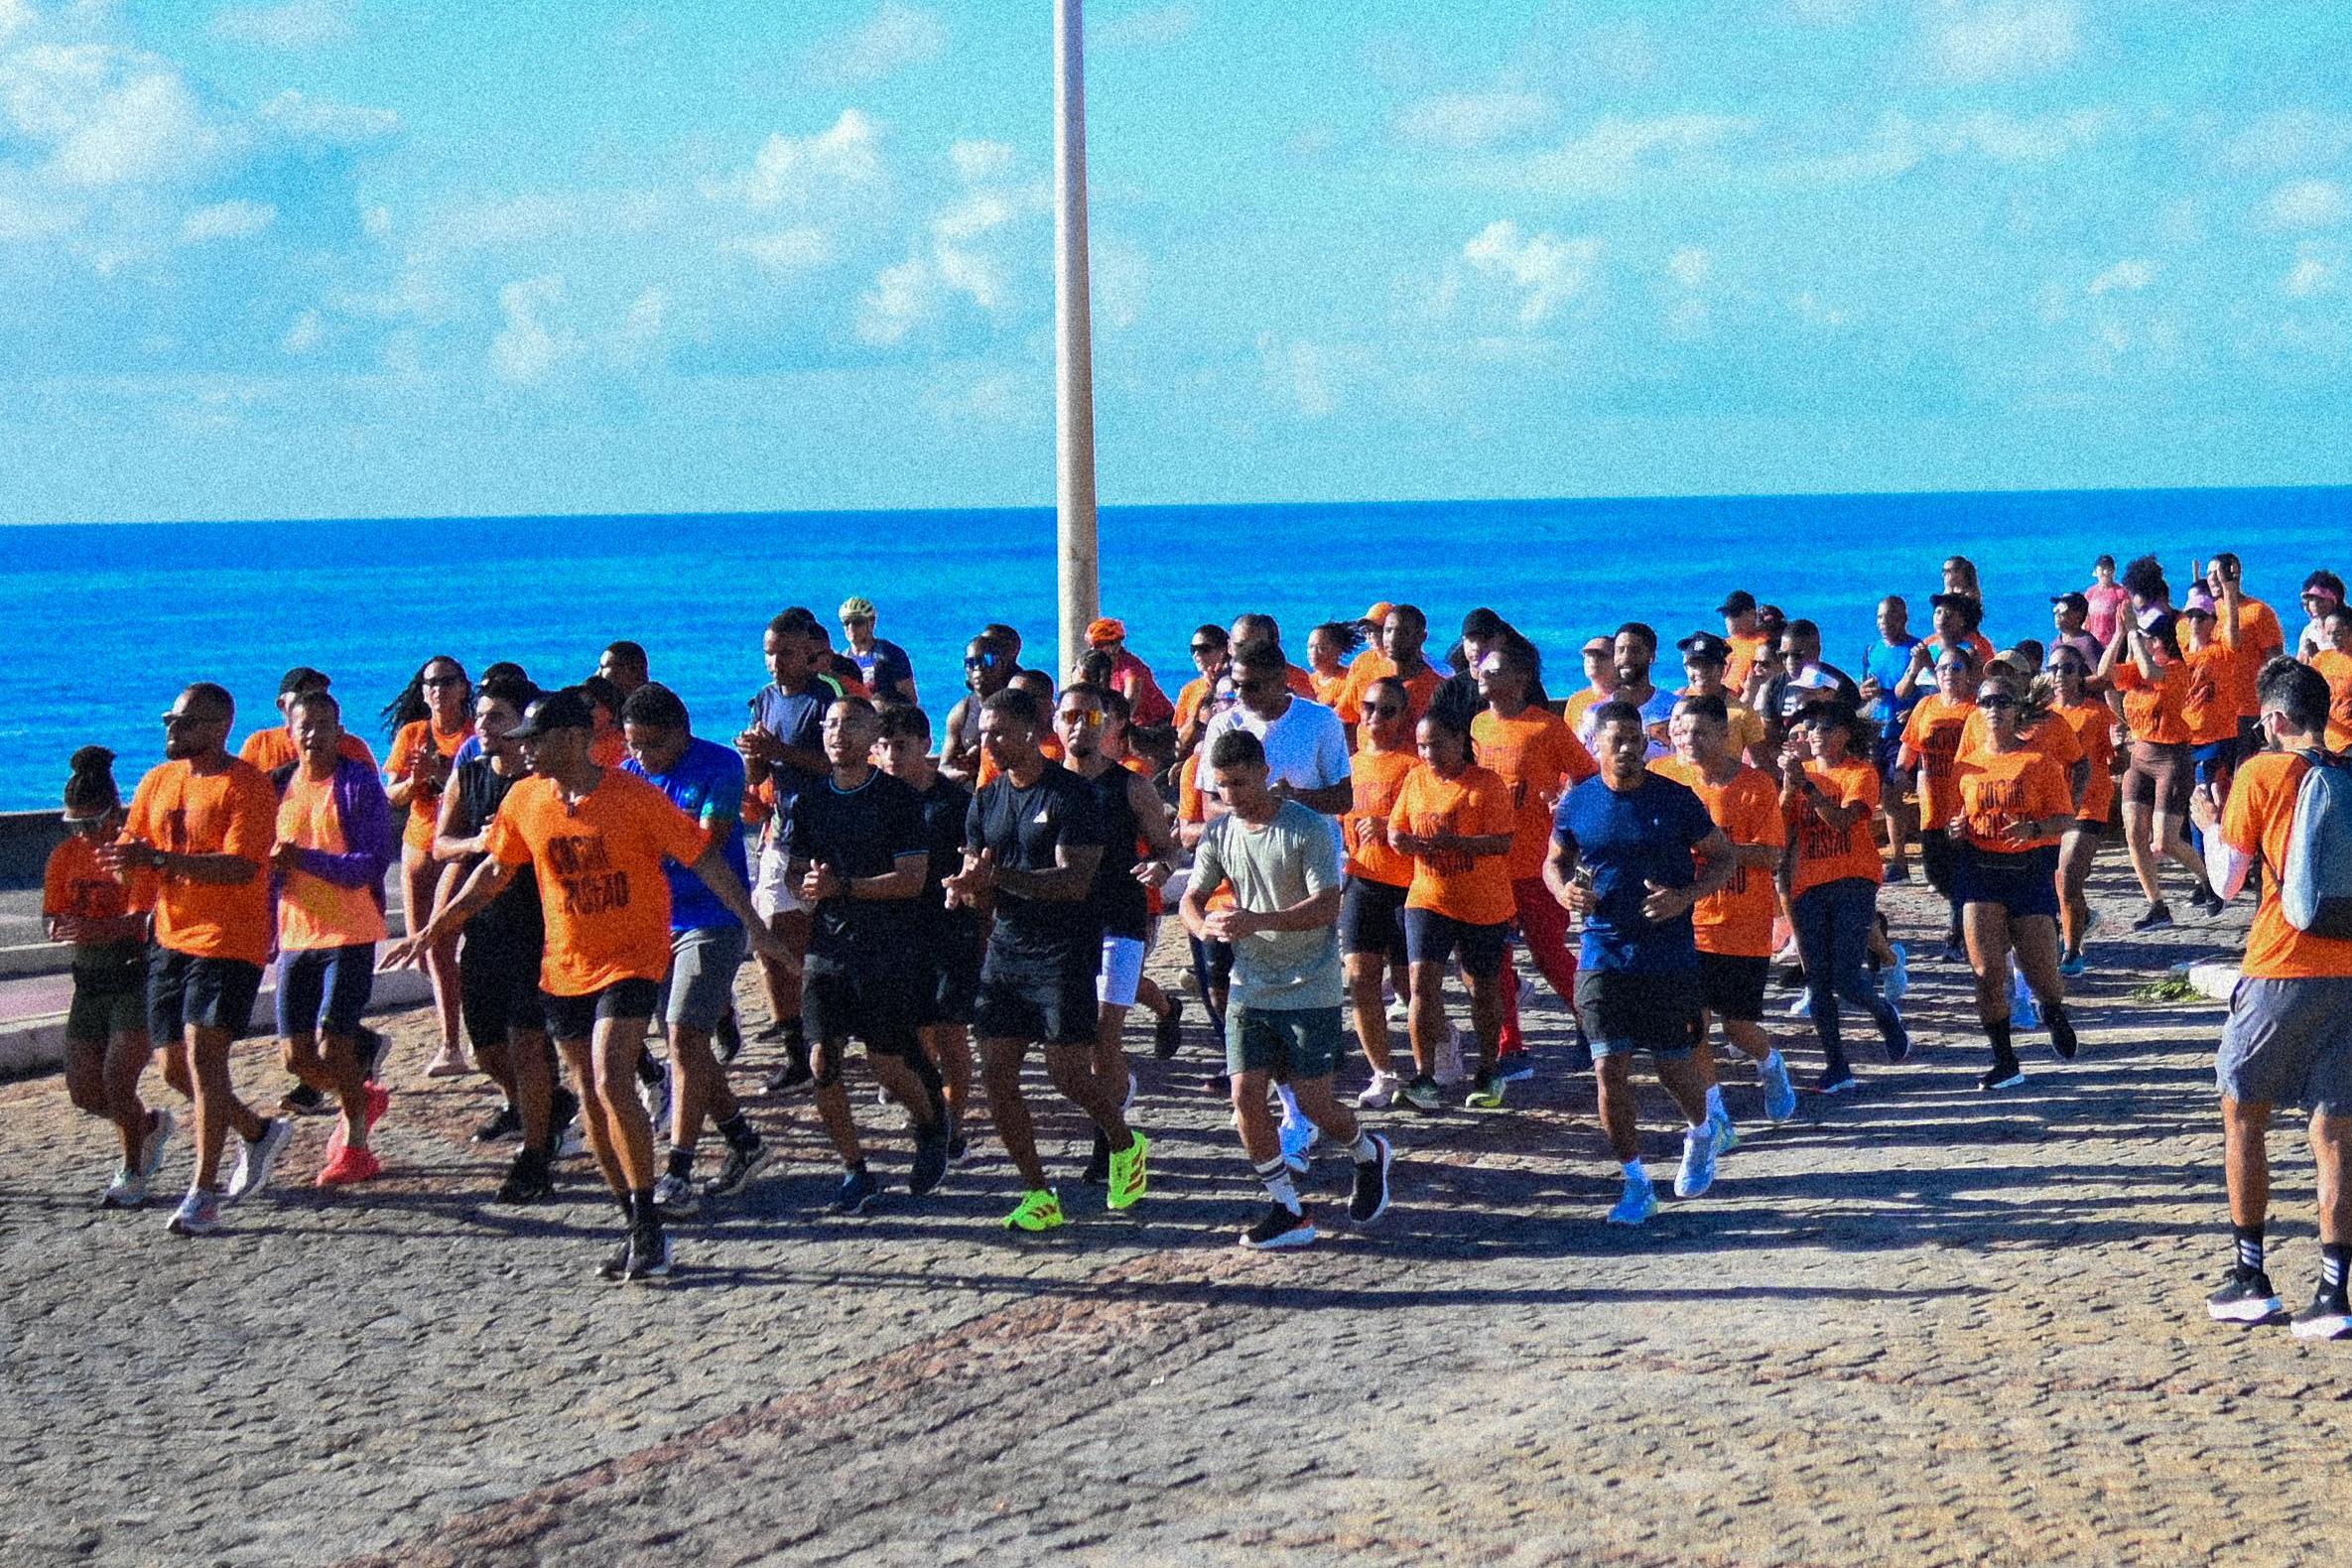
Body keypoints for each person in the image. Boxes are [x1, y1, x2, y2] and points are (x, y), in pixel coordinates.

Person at [389, 688, 783, 1284]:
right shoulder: (525, 798)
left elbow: (703, 859)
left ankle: (649, 1218)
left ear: (572, 740)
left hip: (633, 957)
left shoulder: (633, 797)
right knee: (591, 1094)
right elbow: (495, 871)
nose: (524, 751)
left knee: (609, 1075)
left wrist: (755, 927)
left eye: (535, 740)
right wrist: (436, 929)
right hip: (565, 963)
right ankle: (634, 1222)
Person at [946, 687, 1149, 1232]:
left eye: (999, 734)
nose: (987, 743)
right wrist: (966, 890)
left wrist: (997, 880)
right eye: (983, 734)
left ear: (1033, 735)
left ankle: (1124, 1142)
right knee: (997, 1073)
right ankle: (1038, 1192)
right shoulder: (985, 800)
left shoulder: (1071, 796)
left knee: (1065, 1073)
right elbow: (978, 873)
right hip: (1007, 952)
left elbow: (1075, 881)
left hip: (1064, 950)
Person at [1182, 728, 1393, 1248]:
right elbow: (1192, 895)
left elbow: (1328, 908)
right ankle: (1287, 1207)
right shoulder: (1220, 834)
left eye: (1235, 783)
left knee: (1316, 1104)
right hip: (1249, 987)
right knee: (1243, 1096)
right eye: (1219, 786)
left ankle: (1368, 1151)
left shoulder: (1306, 830)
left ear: (1263, 771)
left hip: (1310, 986)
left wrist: (1258, 920)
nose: (1227, 796)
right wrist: (1202, 924)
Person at [2196, 657, 2352, 1339]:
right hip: (2349, 968)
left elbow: (2226, 882)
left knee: (2243, 1111)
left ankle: (2250, 1275)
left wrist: (2206, 821)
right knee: (2335, 1133)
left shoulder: (2261, 772)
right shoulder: (2348, 770)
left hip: (2282, 963)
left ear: (2276, 718)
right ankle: (2334, 1293)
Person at [103, 683, 295, 1237]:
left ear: (218, 728)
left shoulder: (248, 787)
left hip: (228, 940)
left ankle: (202, 1191)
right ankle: (257, 1133)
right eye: (169, 719)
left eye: (183, 722)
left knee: (206, 1062)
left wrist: (159, 858)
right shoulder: (157, 781)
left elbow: (241, 867)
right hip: (171, 936)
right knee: (173, 1068)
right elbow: (135, 852)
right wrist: (125, 869)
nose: (171, 730)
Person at [1547, 700, 1737, 1225]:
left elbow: (1724, 858)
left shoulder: (1677, 801)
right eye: (1618, 740)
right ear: (1598, 746)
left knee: (1674, 1064)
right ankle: (1635, 1183)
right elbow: (1555, 861)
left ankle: (1702, 1129)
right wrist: (1565, 891)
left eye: (1637, 739)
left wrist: (1684, 897)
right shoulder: (1577, 803)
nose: (1630, 749)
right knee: (1609, 1068)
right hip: (1601, 953)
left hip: (1667, 955)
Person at [778, 695, 953, 1213]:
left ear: (872, 734)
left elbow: (913, 880)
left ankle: (930, 1124)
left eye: (849, 724)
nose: (836, 733)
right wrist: (806, 886)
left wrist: (843, 888)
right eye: (830, 724)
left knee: (886, 1062)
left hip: (886, 948)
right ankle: (855, 1169)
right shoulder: (809, 800)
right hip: (827, 948)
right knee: (821, 1060)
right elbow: (796, 869)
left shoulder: (897, 800)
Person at [621, 683, 772, 1214]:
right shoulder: (632, 774)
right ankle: (744, 1141)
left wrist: (647, 842)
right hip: (654, 919)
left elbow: (703, 844)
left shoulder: (719, 766)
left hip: (713, 916)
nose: (642, 757)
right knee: (686, 1044)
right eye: (633, 745)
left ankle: (678, 1167)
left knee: (684, 1036)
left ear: (681, 734)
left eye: (652, 746)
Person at [432, 674, 579, 1203]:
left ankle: (535, 1156)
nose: (481, 725)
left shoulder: (544, 783)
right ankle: (544, 1108)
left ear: (523, 723)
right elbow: (440, 844)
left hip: (538, 932)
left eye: (495, 716)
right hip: (484, 931)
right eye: (480, 715)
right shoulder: (467, 775)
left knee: (527, 1044)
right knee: (488, 1050)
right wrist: (483, 839)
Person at [267, 689, 398, 1187]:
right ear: (289, 732)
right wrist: (265, 929)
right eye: (306, 724)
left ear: (340, 731)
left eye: (326, 724)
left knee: (333, 1045)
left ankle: (357, 1147)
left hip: (350, 932)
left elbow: (369, 864)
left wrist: (306, 860)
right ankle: (361, 1097)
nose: (314, 733)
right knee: (296, 1058)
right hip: (298, 935)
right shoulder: (280, 786)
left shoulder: (358, 784)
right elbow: (269, 865)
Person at [1659, 696, 1800, 1145]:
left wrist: (1715, 852)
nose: (1688, 739)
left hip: (1741, 921)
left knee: (1736, 1027)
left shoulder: (1754, 786)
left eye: (1699, 731)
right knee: (1691, 1025)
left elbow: (1772, 854)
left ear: (1725, 735)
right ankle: (1716, 1116)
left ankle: (1770, 1063)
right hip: (1686, 922)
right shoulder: (1665, 778)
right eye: (1680, 730)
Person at [1056, 683, 1179, 1181]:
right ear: (1055, 723)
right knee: (1078, 1044)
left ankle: (1107, 1141)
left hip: (1120, 922)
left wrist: (1162, 870)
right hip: (1064, 926)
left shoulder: (1130, 786)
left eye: (1088, 717)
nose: (1077, 726)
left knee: (1105, 1038)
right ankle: (1109, 1119)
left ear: (1106, 725)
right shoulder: (1043, 784)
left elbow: (1166, 847)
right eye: (1068, 716)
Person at [47, 746, 170, 1209]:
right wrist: (57, 925)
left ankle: (132, 1168)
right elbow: (52, 911)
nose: (84, 834)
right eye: (74, 825)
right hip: (90, 981)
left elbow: (143, 921)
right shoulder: (65, 857)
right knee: (85, 1090)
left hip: (132, 976)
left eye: (91, 823)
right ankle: (147, 1126)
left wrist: (100, 927)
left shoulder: (131, 855)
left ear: (114, 814)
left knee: (119, 1081)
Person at [1473, 639, 1598, 1080]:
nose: (1484, 675)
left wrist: (1563, 804)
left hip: (1537, 864)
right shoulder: (1478, 726)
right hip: (1490, 866)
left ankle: (1590, 1020)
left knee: (1549, 955)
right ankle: (1512, 1047)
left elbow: (1588, 777)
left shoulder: (1545, 728)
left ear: (1520, 679)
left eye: (1494, 670)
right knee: (1496, 962)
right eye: (1482, 669)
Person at [1951, 679, 2080, 1091]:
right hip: (1979, 870)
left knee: (2041, 972)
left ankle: (2053, 1010)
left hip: (2026, 871)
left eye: (2002, 701)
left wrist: (2034, 829)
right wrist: (1956, 828)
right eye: (1986, 701)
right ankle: (2005, 1060)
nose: (1993, 709)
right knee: (1987, 971)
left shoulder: (2038, 762)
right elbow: (1957, 818)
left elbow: (2065, 820)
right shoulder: (1965, 765)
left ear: (2016, 709)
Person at [1780, 695, 1909, 1093]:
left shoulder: (1861, 773)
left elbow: (1842, 822)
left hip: (1853, 879)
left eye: (1823, 728)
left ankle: (1884, 1012)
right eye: (1809, 728)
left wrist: (1809, 790)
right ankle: (1837, 1065)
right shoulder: (1799, 773)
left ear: (1844, 734)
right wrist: (1789, 786)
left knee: (1847, 978)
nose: (1813, 735)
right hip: (1809, 882)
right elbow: (1783, 827)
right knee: (1816, 980)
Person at [1389, 709, 1515, 1111]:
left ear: (1459, 741)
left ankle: (1489, 1068)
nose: (1428, 753)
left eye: (1436, 744)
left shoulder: (1486, 784)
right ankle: (1425, 1074)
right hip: (1428, 897)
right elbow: (1397, 828)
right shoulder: (1415, 779)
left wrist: (1453, 844)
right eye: (1422, 745)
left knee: (1481, 987)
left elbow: (1501, 842)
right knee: (1421, 984)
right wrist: (1401, 842)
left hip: (1482, 902)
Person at [874, 703, 980, 1160]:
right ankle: (931, 1108)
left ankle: (953, 1126)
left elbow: (976, 860)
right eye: (882, 747)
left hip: (950, 931)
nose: (891, 756)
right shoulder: (874, 802)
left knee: (951, 1030)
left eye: (900, 746)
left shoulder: (953, 802)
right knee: (914, 1037)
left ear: (925, 745)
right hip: (896, 936)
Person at [741, 608, 832, 1089]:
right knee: (771, 939)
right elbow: (760, 778)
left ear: (809, 654)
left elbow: (841, 763)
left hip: (828, 834)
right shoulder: (764, 701)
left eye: (786, 654)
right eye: (769, 655)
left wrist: (783, 753)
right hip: (782, 833)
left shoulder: (825, 699)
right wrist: (755, 759)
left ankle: (830, 1033)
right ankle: (796, 1045)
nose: (776, 664)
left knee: (821, 940)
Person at [384, 655, 475, 1078]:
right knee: (422, 951)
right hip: (420, 845)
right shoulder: (414, 734)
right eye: (430, 683)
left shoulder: (475, 734)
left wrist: (443, 773)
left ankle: (450, 1043)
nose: (438, 689)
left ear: (462, 687)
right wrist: (417, 781)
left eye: (447, 681)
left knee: (442, 944)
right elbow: (393, 796)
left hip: (459, 849)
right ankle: (457, 1018)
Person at [2105, 610, 2221, 929]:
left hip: (2171, 759)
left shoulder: (2175, 670)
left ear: (2159, 641)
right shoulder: (2138, 671)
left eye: (2146, 637)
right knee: (2134, 833)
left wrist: (2133, 634)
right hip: (2139, 759)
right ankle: (2157, 904)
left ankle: (2209, 880)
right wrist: (2119, 634)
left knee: (2166, 840)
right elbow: (2105, 675)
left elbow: (2151, 672)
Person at [1337, 677, 1418, 1107]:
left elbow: (1433, 821)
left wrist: (1392, 827)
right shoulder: (1348, 764)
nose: (1375, 718)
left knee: (1412, 990)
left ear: (1403, 716)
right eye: (1369, 707)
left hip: (1409, 887)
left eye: (1387, 710)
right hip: (1362, 881)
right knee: (1360, 980)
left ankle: (1441, 1042)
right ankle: (1383, 1072)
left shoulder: (1413, 764)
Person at [1196, 642, 1353, 817]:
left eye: (1252, 686)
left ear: (1280, 680)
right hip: (1248, 841)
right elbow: (1210, 809)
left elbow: (1344, 799)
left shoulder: (1321, 719)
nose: (1240, 694)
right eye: (1236, 685)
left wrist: (1293, 797)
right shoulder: (1223, 725)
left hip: (1310, 840)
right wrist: (1261, 805)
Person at [1899, 647, 1981, 962]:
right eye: (1943, 668)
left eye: (1956, 668)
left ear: (1968, 673)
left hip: (1964, 804)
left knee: (1962, 870)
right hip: (1933, 802)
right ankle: (1961, 913)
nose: (1949, 674)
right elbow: (1910, 746)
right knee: (1935, 873)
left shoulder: (1976, 710)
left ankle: (1957, 932)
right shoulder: (1926, 706)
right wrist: (1898, 772)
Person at [2045, 650, 2117, 976]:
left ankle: (2072, 953)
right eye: (2054, 668)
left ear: (2080, 674)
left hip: (2089, 802)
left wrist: (2120, 746)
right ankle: (2082, 918)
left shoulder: (2097, 713)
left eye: (2067, 669)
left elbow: (2115, 754)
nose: (2060, 675)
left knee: (2068, 875)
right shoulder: (2043, 714)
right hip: (2053, 804)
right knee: (2057, 881)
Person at [1859, 597, 1925, 880]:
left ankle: (1899, 860)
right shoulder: (1872, 650)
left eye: (1891, 617)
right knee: (1879, 795)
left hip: (1905, 733)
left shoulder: (1916, 650)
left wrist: (1913, 710)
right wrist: (1865, 693)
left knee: (1895, 792)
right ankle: (1879, 858)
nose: (1884, 623)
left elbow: (1929, 689)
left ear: (1904, 619)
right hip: (1877, 729)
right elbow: (1863, 691)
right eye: (1880, 617)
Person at [239, 667, 378, 774]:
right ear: (281, 704)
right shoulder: (260, 744)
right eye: (302, 697)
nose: (311, 704)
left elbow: (373, 798)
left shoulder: (352, 746)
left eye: (319, 697)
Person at [1335, 604, 1444, 728]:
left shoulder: (1438, 686)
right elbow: (1344, 720)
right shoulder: (1363, 674)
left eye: (1403, 633)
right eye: (1388, 630)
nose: (1392, 638)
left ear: (1422, 637)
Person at [1578, 624, 1680, 756]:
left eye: (1635, 651)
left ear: (1652, 657)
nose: (1626, 657)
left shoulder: (1674, 708)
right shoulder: (1595, 713)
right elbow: (1585, 764)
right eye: (1620, 650)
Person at [941, 632, 1015, 786]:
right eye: (971, 663)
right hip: (974, 793)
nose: (978, 669)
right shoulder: (962, 711)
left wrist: (985, 756)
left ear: (1000, 664)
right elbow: (944, 767)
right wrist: (964, 771)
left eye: (985, 661)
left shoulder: (1015, 705)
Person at [1083, 617, 1176, 730]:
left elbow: (1128, 706)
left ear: (1115, 645)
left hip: (1157, 727)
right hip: (1133, 725)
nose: (1093, 650)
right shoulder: (1099, 666)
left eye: (1099, 645)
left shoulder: (1131, 668)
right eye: (1091, 646)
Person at [1171, 624, 1232, 776]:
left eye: (1204, 649)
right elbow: (1178, 743)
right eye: (1193, 649)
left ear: (1223, 651)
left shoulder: (1235, 685)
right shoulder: (1190, 690)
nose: (1197, 655)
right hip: (1193, 761)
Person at [837, 596, 917, 705]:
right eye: (846, 623)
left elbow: (909, 697)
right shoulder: (842, 659)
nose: (851, 628)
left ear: (871, 623)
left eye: (857, 622)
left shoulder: (890, 654)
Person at [2306, 605, 2352, 751]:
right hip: (2326, 742)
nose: (2333, 639)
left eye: (2338, 633)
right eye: (2329, 634)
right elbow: (2307, 694)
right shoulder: (2322, 659)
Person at [1562, 634, 1621, 734]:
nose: (1592, 660)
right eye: (1588, 655)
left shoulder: (1629, 697)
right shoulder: (1576, 700)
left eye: (1601, 655)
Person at [1719, 591, 1768, 692]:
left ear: (1752, 614)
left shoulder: (1764, 645)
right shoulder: (1723, 645)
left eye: (1734, 614)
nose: (1729, 619)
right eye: (1725, 614)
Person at [1306, 620, 1362, 709]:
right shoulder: (1307, 682)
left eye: (1321, 648)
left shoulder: (1349, 681)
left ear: (1338, 650)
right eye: (1310, 647)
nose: (1313, 652)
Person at [2297, 571, 2346, 662]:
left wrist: (2318, 656)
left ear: (2334, 601)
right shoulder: (2309, 631)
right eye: (2306, 603)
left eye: (2319, 600)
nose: (2312, 606)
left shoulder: (2346, 628)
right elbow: (2300, 668)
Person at [2084, 555, 2130, 649]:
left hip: (2114, 645)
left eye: (2108, 568)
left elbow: (2128, 622)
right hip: (2093, 644)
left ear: (2113, 571)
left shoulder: (2121, 593)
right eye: (2101, 568)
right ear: (2096, 571)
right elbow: (2086, 621)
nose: (2105, 572)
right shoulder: (2090, 593)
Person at [2048, 593, 2103, 670]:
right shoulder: (2055, 644)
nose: (2057, 615)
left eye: (2063, 611)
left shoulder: (2087, 644)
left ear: (2078, 616)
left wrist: (2079, 681)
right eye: (2056, 611)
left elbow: (2101, 676)